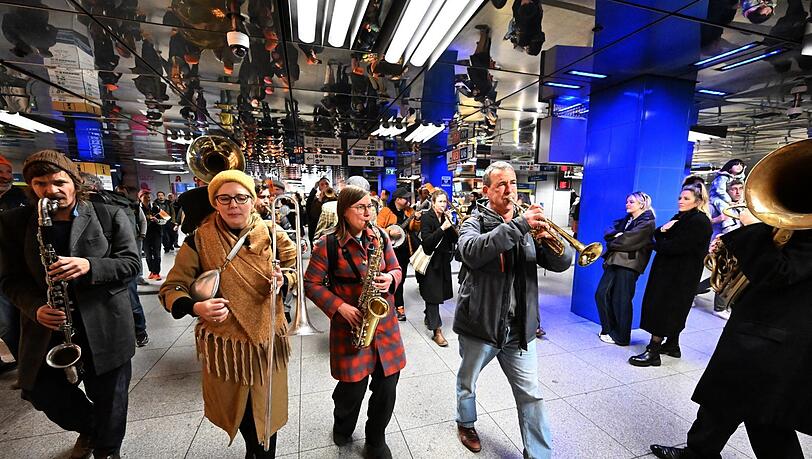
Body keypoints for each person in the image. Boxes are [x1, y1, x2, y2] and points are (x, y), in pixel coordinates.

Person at [0, 150, 140, 459]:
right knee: (40, 391)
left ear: (74, 182)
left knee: (110, 396)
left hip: (104, 321)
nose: (51, 190)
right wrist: (36, 307)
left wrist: (91, 266)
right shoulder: (13, 222)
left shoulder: (108, 214)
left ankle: (107, 450)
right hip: (47, 324)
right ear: (30, 186)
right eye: (40, 183)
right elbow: (9, 279)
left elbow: (130, 264)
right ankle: (92, 427)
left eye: (59, 182)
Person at [159, 169, 295, 458]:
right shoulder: (198, 239)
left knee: (267, 412)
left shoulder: (273, 233)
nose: (234, 205)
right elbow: (172, 287)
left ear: (253, 200)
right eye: (225, 198)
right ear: (215, 202)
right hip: (227, 345)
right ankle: (251, 449)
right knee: (242, 411)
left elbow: (296, 270)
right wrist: (196, 307)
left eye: (241, 197)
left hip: (267, 339)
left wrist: (287, 280)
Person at [650, 217, 811, 458]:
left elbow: (778, 272)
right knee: (721, 403)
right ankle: (697, 452)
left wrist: (753, 230)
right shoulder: (795, 228)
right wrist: (731, 247)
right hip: (758, 330)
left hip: (774, 338)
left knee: (765, 418)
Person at [454, 161, 573, 457]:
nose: (510, 190)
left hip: (520, 328)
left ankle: (538, 453)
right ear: (486, 190)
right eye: (501, 185)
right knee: (467, 381)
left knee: (531, 394)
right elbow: (472, 251)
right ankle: (465, 422)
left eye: (513, 183)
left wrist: (551, 242)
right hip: (480, 323)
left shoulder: (528, 224)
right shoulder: (473, 222)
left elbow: (562, 262)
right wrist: (519, 227)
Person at [303, 185, 404, 459]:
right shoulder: (328, 244)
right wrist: (340, 308)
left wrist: (390, 279)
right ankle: (343, 425)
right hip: (350, 326)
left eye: (370, 206)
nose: (368, 212)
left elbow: (396, 268)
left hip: (383, 327)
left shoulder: (380, 236)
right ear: (344, 211)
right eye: (361, 207)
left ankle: (375, 439)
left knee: (387, 388)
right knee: (352, 389)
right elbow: (311, 283)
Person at [629, 184, 712, 367]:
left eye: (686, 199)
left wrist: (653, 245)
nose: (681, 201)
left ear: (698, 201)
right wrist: (663, 232)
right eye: (680, 198)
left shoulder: (699, 221)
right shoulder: (683, 217)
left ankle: (654, 351)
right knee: (674, 308)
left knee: (664, 308)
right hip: (672, 271)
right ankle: (672, 345)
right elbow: (660, 234)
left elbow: (677, 246)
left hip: (679, 275)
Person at [83, 174, 149, 347]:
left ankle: (139, 331)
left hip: (119, 262)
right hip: (95, 266)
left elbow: (129, 238)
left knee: (131, 299)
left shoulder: (114, 206)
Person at [595, 192, 656, 346]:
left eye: (631, 202)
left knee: (621, 300)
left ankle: (622, 337)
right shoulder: (628, 219)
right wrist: (617, 236)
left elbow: (626, 242)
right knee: (601, 294)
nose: (627, 204)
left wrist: (615, 239)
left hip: (629, 265)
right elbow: (609, 232)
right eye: (627, 201)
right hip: (616, 261)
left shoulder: (647, 222)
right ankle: (609, 330)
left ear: (641, 204)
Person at [417, 189, 458, 347]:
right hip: (431, 263)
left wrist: (450, 226)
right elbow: (427, 242)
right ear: (433, 203)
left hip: (443, 262)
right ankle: (437, 331)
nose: (443, 204)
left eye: (444, 201)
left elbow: (454, 239)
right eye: (440, 201)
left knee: (438, 293)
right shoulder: (427, 217)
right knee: (433, 296)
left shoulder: (446, 217)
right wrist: (442, 228)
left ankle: (429, 316)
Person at [376, 187, 421, 321]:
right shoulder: (386, 211)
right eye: (405, 198)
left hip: (404, 250)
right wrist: (389, 232)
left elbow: (415, 228)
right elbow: (377, 228)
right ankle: (387, 305)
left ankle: (399, 306)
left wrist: (417, 220)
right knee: (387, 278)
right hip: (389, 251)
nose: (407, 200)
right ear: (398, 199)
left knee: (400, 279)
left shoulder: (410, 211)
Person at [0, 154, 26, 376]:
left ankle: (27, 365)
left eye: (8, 171)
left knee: (11, 322)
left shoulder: (21, 197)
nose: (4, 176)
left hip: (15, 270)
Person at [313, 176, 371, 240]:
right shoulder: (328, 208)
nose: (367, 213)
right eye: (360, 207)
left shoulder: (371, 210)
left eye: (369, 206)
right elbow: (317, 238)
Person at [139, 190, 164, 281]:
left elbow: (166, 219)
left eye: (149, 197)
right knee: (148, 254)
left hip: (156, 233)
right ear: (140, 198)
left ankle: (157, 272)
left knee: (157, 254)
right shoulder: (138, 209)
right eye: (145, 197)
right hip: (145, 235)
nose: (147, 199)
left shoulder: (156, 207)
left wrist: (158, 221)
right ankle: (151, 271)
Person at [305, 177, 330, 246]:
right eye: (322, 184)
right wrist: (315, 189)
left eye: (327, 184)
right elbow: (310, 208)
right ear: (319, 187)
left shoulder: (334, 198)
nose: (325, 186)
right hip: (316, 228)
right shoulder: (315, 200)